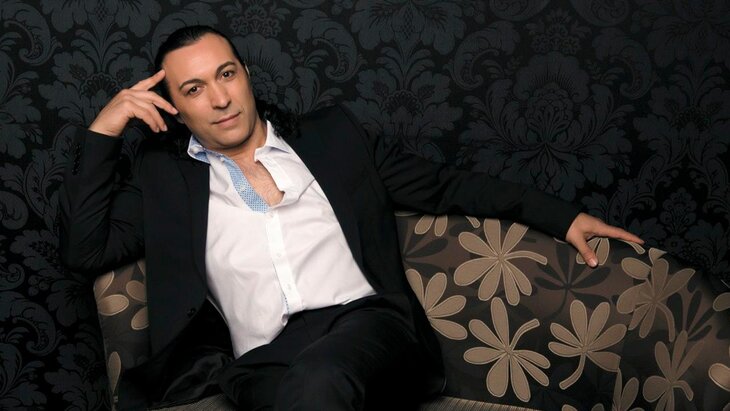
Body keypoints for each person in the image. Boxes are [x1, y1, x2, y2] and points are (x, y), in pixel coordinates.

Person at [59, 25, 643, 410]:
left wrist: (564, 218)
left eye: (227, 74)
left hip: (366, 326)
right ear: (176, 109)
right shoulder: (163, 178)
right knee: (300, 392)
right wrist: (104, 129)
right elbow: (85, 250)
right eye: (194, 88)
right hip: (261, 359)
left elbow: (446, 186)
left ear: (246, 74)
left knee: (320, 381)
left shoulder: (334, 138)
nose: (220, 98)